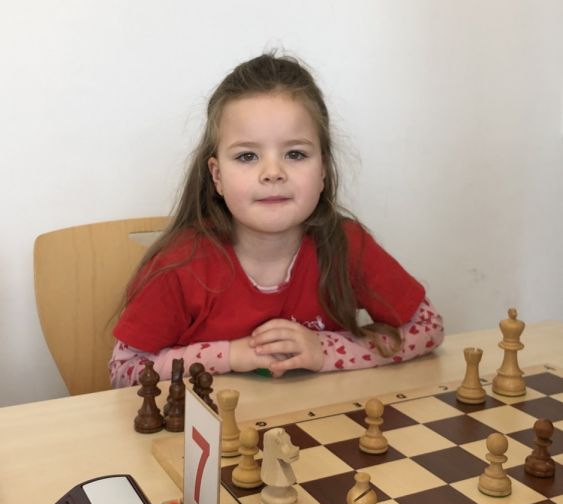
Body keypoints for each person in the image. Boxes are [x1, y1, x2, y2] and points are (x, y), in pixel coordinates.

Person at [110, 53, 444, 388]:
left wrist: (325, 350)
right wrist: (231, 355)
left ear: (323, 169)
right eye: (247, 156)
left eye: (295, 154)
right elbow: (124, 369)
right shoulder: (179, 265)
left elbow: (428, 327)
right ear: (217, 176)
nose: (273, 172)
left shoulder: (346, 245)